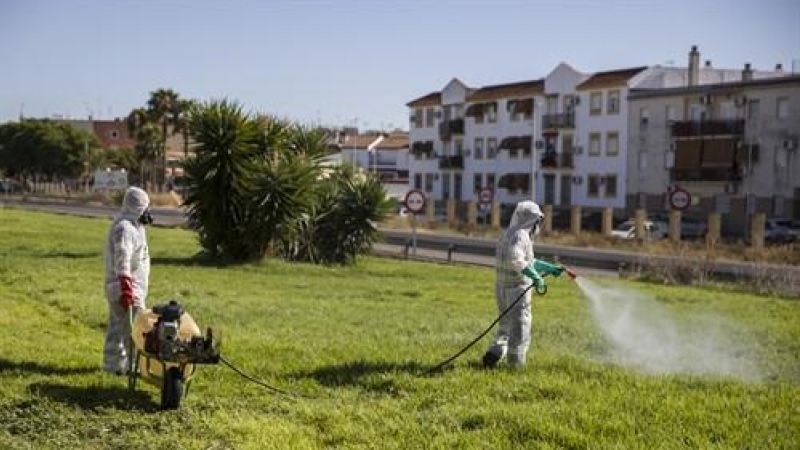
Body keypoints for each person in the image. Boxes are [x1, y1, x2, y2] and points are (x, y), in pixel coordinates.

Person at [482, 201, 564, 369]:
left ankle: (496, 352)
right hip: (516, 290)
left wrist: (548, 268)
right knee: (520, 328)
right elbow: (517, 260)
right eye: (537, 221)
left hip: (502, 288)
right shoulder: (521, 235)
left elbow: (529, 261)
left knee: (505, 326)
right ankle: (515, 366)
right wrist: (536, 277)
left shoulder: (508, 233)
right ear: (531, 220)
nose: (538, 226)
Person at [102, 186, 153, 375]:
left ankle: (113, 366)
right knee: (134, 331)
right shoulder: (125, 229)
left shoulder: (133, 226)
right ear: (138, 207)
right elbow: (122, 258)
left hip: (123, 287)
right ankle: (134, 367)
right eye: (145, 207)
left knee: (117, 328)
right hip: (126, 288)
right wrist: (127, 288)